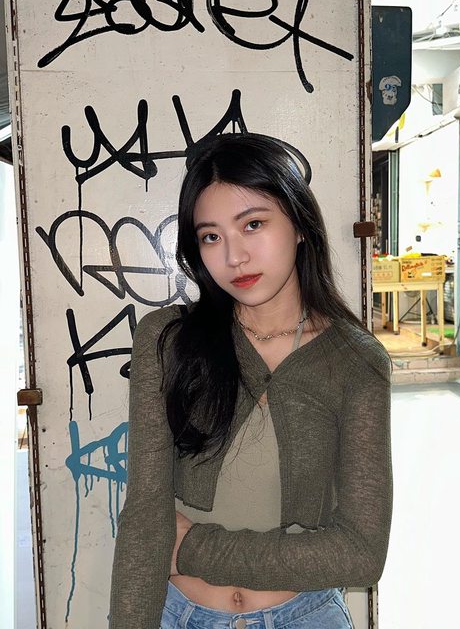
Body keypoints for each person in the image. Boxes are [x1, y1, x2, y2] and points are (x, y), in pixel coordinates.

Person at [109, 134, 393, 629]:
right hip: (181, 615)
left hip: (305, 617)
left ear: (299, 224)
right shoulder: (168, 340)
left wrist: (191, 546)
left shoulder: (355, 361)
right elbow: (144, 518)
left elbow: (361, 554)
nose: (234, 256)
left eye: (253, 225)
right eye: (211, 236)